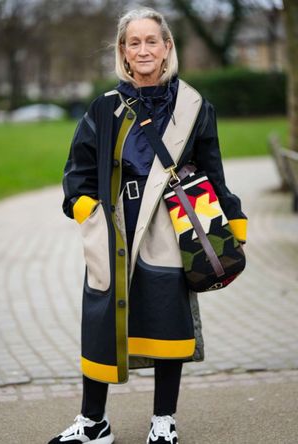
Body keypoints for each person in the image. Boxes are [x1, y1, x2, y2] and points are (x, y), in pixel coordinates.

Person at [48, 7, 247, 444]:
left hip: (171, 228)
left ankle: (163, 421)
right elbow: (76, 170)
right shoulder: (104, 108)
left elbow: (213, 172)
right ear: (123, 51)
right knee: (102, 320)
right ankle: (93, 422)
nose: (143, 50)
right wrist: (86, 211)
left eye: (151, 41)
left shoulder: (195, 106)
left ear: (167, 47)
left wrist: (232, 221)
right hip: (114, 228)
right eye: (133, 42)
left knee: (167, 319)